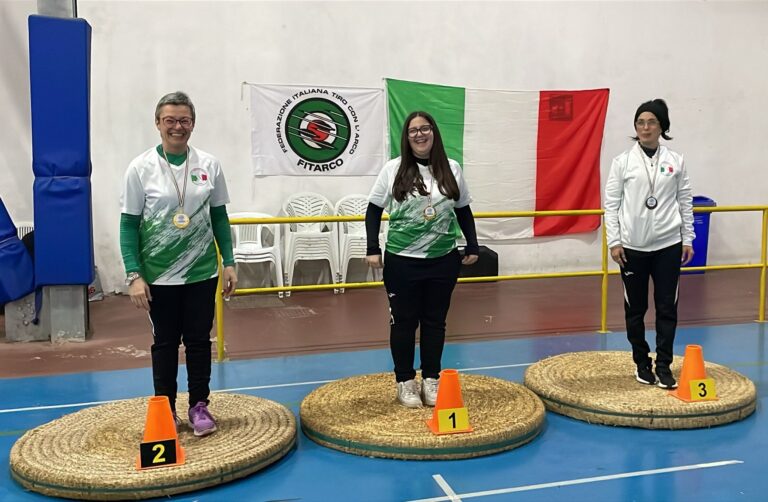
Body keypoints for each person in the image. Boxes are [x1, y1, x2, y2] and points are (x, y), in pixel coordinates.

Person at [120, 91, 237, 436]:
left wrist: (229, 262)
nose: (177, 127)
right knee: (165, 344)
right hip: (159, 276)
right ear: (157, 124)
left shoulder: (209, 164)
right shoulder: (140, 168)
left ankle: (199, 405)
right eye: (169, 120)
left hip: (202, 272)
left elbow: (219, 217)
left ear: (193, 124)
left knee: (199, 341)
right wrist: (134, 275)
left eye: (184, 120)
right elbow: (128, 225)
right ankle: (166, 409)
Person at [365, 111, 479, 408]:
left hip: (443, 260)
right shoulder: (393, 169)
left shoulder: (452, 168)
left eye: (425, 128)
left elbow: (463, 209)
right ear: (406, 137)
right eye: (413, 130)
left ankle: (431, 379)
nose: (419, 134)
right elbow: (373, 209)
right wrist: (372, 248)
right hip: (402, 261)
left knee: (435, 322)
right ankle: (405, 381)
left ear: (433, 132)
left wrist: (472, 244)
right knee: (403, 322)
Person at [604, 98, 695, 389]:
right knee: (636, 309)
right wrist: (615, 241)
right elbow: (611, 204)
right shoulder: (622, 162)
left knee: (667, 308)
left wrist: (688, 238)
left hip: (668, 245)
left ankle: (664, 365)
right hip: (633, 248)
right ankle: (642, 363)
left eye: (652, 122)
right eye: (640, 122)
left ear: (662, 126)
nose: (645, 127)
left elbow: (685, 201)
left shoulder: (676, 161)